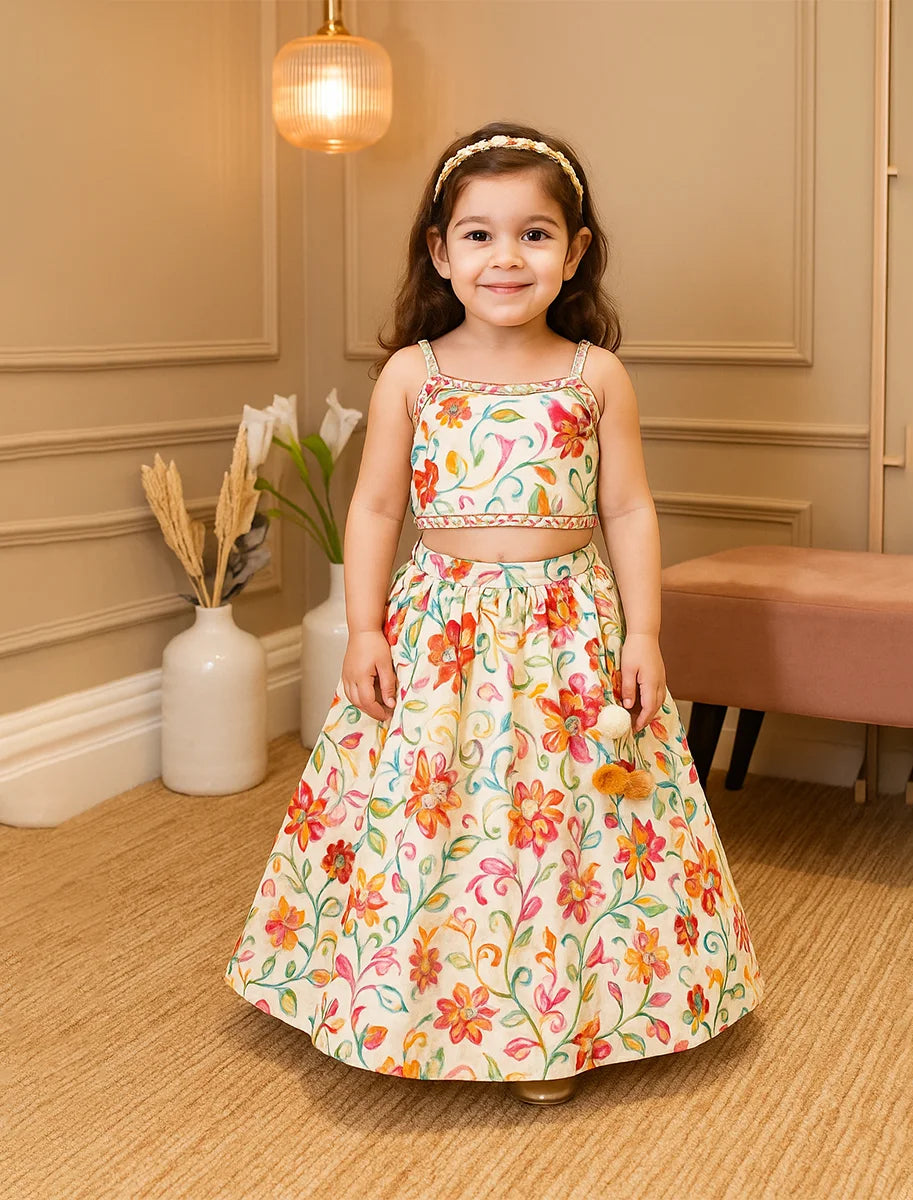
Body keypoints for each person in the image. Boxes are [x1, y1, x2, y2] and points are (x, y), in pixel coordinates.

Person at [224, 121, 765, 1105]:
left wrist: (643, 632)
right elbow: (377, 506)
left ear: (576, 251)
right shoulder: (413, 374)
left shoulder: (593, 375)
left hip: (569, 631)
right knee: (434, 817)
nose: (505, 258)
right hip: (443, 629)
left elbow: (628, 507)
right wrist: (366, 627)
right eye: (478, 235)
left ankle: (550, 1025)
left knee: (561, 825)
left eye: (534, 235)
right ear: (438, 250)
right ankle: (398, 998)